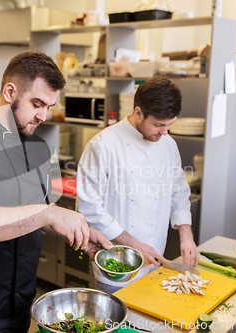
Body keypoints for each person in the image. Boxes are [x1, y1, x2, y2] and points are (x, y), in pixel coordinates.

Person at [0, 51, 112, 333]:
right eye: (37, 103)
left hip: (22, 299)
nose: (43, 115)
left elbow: (36, 217)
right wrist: (49, 212)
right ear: (10, 91)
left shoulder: (36, 146)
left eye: (49, 106)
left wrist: (80, 233)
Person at [76, 75, 199, 294]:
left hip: (155, 262)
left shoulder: (168, 144)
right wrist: (132, 243)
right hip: (116, 267)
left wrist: (186, 236)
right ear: (138, 112)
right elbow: (89, 209)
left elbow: (178, 192)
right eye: (158, 125)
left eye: (170, 125)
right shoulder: (102, 145)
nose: (164, 132)